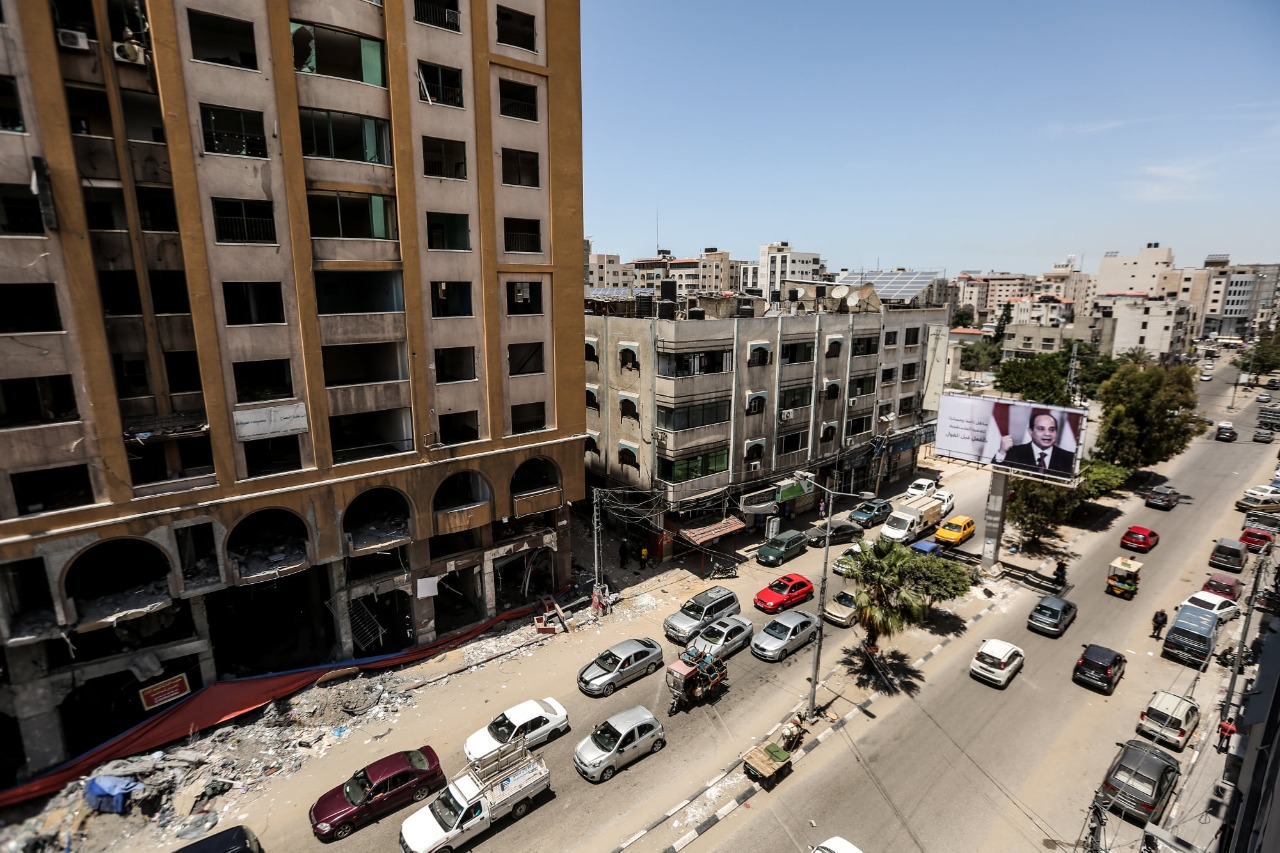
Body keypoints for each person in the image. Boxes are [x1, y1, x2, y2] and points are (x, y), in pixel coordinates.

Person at [994, 411, 1075, 475]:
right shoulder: (1014, 453)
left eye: (1052, 429)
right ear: (1030, 431)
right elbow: (995, 472)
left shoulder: (1070, 458)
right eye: (1041, 429)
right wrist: (1002, 452)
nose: (1047, 434)